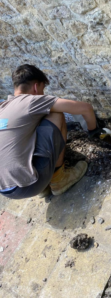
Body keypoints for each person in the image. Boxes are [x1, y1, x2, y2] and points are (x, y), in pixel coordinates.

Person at [0, 64, 103, 199]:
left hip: (5, 189)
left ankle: (43, 186)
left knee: (31, 126)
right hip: (27, 186)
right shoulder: (30, 101)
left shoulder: (3, 108)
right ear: (36, 87)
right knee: (56, 114)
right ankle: (59, 179)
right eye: (43, 89)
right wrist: (94, 131)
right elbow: (86, 108)